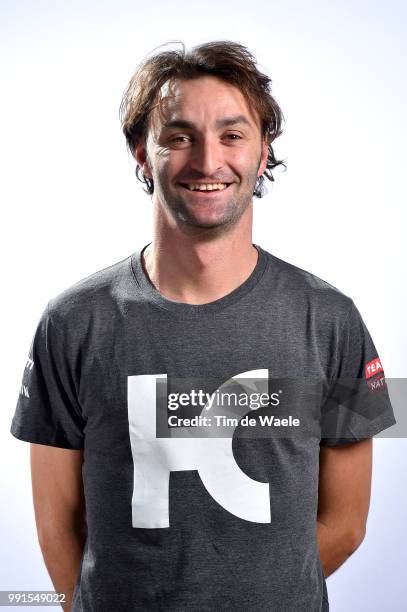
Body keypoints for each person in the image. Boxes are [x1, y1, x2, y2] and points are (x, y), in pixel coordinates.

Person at [11, 40, 396, 612]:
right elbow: (56, 525)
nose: (209, 160)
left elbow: (347, 521)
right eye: (179, 136)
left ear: (264, 152)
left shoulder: (334, 321)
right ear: (143, 152)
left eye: (233, 135)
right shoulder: (71, 322)